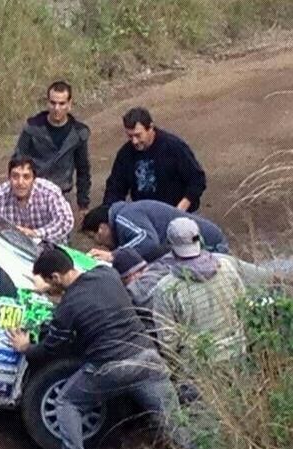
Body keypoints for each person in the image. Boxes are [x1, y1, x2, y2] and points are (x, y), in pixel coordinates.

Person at [6, 248, 194, 449]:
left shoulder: (66, 309)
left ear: (55, 277)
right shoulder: (107, 275)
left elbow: (51, 348)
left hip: (110, 366)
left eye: (48, 283)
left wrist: (25, 347)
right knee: (175, 423)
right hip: (146, 358)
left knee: (67, 402)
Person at [152, 218, 247, 363]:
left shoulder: (165, 289)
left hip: (198, 366)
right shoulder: (227, 267)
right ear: (200, 239)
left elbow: (168, 343)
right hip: (237, 353)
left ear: (171, 246)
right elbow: (244, 307)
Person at [103, 107, 206, 212]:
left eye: (138, 135)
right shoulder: (125, 154)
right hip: (144, 216)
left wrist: (180, 209)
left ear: (150, 128)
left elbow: (197, 180)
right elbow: (115, 188)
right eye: (130, 136)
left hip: (176, 213)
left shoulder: (173, 147)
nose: (134, 141)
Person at [13, 81, 91, 214]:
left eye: (62, 104)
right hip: (33, 194)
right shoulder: (33, 128)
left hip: (61, 195)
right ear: (47, 103)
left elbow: (83, 170)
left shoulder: (78, 133)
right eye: (53, 103)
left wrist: (83, 204)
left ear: (69, 104)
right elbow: (17, 162)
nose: (57, 108)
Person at [81, 200, 228, 262]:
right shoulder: (127, 216)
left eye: (93, 237)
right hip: (193, 246)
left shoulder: (124, 217)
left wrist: (113, 255)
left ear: (102, 228)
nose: (97, 242)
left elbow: (148, 241)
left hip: (207, 245)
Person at [0, 154, 74, 244]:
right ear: (9, 178)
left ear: (34, 179)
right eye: (15, 176)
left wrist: (36, 233)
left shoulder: (49, 192)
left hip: (51, 247)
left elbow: (66, 221)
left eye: (26, 177)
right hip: (16, 250)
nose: (20, 182)